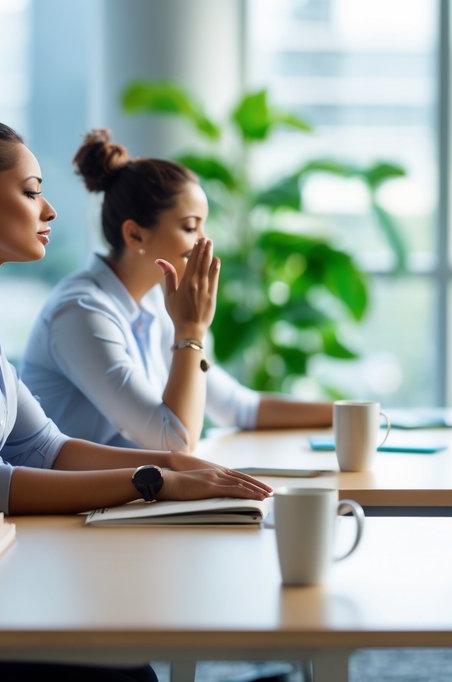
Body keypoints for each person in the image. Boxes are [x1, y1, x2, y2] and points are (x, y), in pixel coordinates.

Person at [0, 94, 272, 682]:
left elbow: (45, 447)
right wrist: (154, 483)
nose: (51, 210)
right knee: (123, 674)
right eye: (32, 191)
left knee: (124, 659)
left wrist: (172, 463)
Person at [21, 129, 331, 453]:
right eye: (190, 226)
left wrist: (347, 412)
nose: (205, 241)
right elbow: (173, 443)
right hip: (75, 502)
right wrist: (191, 330)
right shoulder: (81, 313)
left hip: (136, 493)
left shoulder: (156, 302)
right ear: (135, 235)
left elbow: (237, 406)